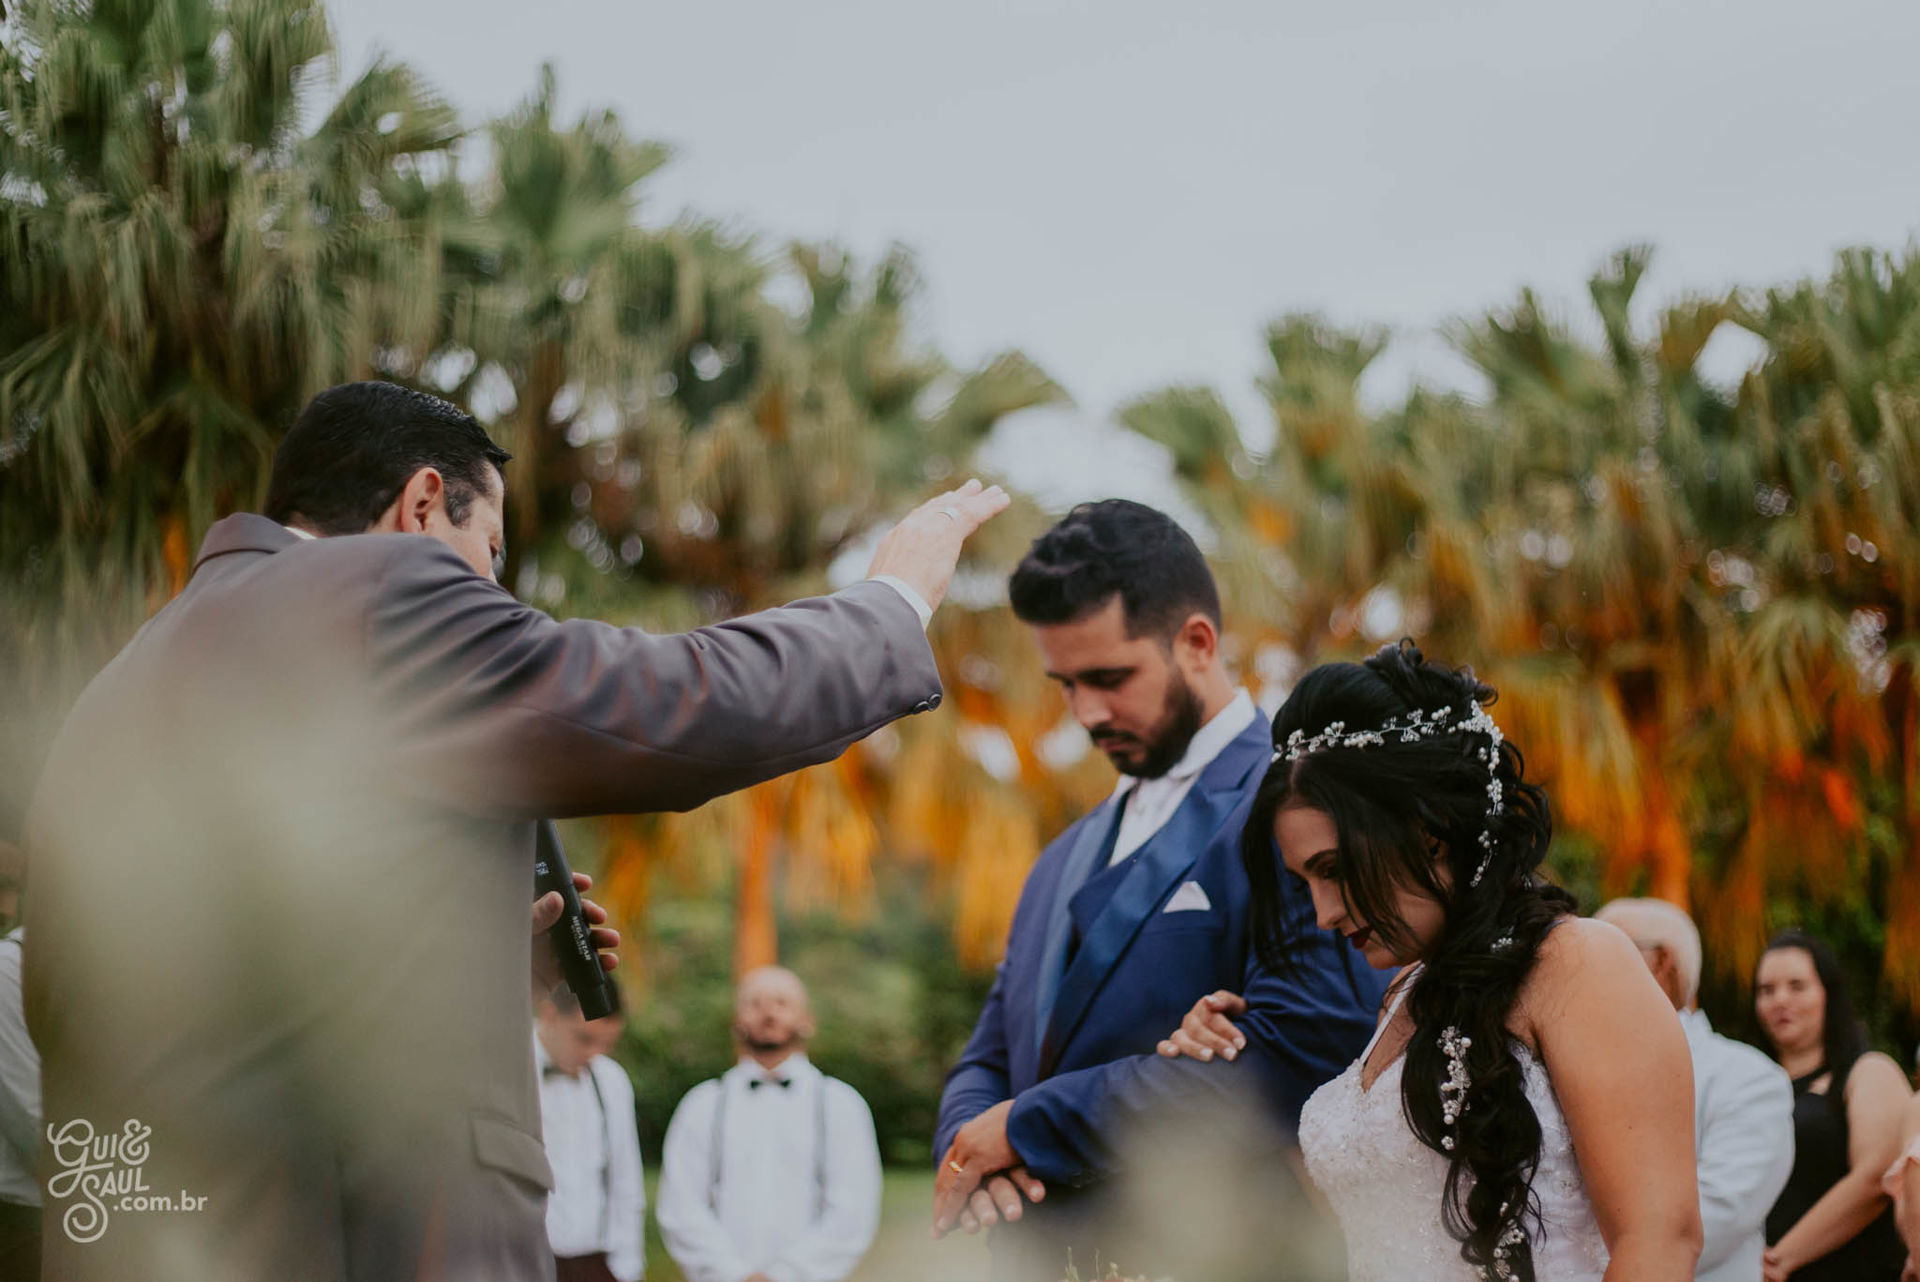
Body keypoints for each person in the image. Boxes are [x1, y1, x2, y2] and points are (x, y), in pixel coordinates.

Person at [23, 380, 1005, 1282]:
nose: (493, 598)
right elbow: (661, 706)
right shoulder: (378, 593)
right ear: (418, 507)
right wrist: (892, 605)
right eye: (489, 557)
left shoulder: (118, 691)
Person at [932, 500, 1387, 1280]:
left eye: (1110, 678)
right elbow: (993, 1052)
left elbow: (1299, 1051)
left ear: (1198, 643)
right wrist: (970, 1140)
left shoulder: (1294, 807)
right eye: (1066, 683)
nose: (1086, 713)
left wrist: (1025, 1129)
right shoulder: (1060, 858)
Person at [1161, 642, 1703, 1280]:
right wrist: (1230, 1056)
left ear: (1432, 828)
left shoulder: (1580, 961)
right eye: (1304, 881)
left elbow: (1660, 1243)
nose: (1324, 912)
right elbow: (1392, 1217)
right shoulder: (1405, 992)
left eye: (1334, 869)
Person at [1593, 898, 1794, 1282]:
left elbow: (1716, 1214)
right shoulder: (1575, 1066)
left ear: (1663, 965)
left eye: (1607, 956)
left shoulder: (1750, 1079)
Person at [655, 967, 882, 1282]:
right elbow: (681, 1205)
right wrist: (733, 1274)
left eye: (782, 1002)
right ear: (736, 1022)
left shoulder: (842, 1105)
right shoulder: (702, 1104)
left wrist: (785, 1275)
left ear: (807, 1021)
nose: (769, 1012)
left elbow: (853, 1209)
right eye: (755, 1003)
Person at [1754, 931, 1910, 1281]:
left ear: (1828, 993)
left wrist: (1778, 1261)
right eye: (1766, 990)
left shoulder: (1868, 1070)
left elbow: (1877, 1175)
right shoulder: (1751, 1083)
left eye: (1797, 986)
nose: (1780, 1000)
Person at [538, 984, 645, 1282]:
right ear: (549, 1016)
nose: (594, 1054)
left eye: (606, 1044)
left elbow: (625, 1180)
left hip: (595, 1261)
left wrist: (628, 1269)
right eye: (584, 1039)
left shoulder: (611, 1080)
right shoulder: (508, 1074)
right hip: (526, 1261)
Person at [0, 839, 40, 1280]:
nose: (6, 906)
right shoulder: (9, 971)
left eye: (14, 888)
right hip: (25, 1218)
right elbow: (32, 1123)